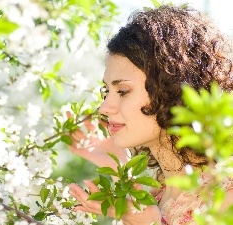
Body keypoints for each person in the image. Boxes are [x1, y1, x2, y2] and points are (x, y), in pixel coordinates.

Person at [67, 4, 233, 225]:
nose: (104, 108)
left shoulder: (225, 195)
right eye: (107, 91)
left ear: (171, 89)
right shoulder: (161, 196)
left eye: (123, 91)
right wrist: (117, 165)